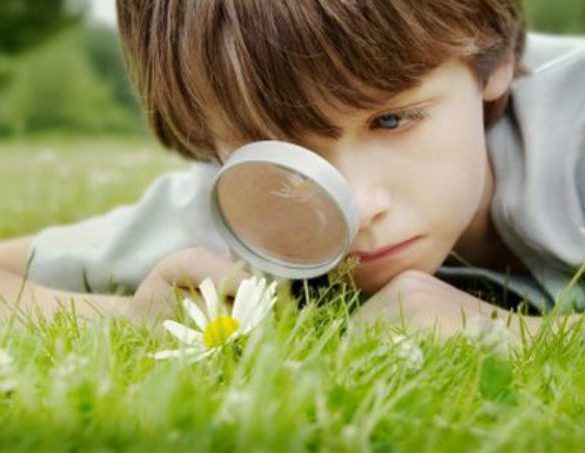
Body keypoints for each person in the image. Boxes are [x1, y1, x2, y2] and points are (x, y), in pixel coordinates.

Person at [0, 0, 584, 336]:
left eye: (391, 121)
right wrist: (132, 318)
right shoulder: (244, 213)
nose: (354, 206)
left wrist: (521, 335)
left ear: (496, 59)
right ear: (213, 140)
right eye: (281, 153)